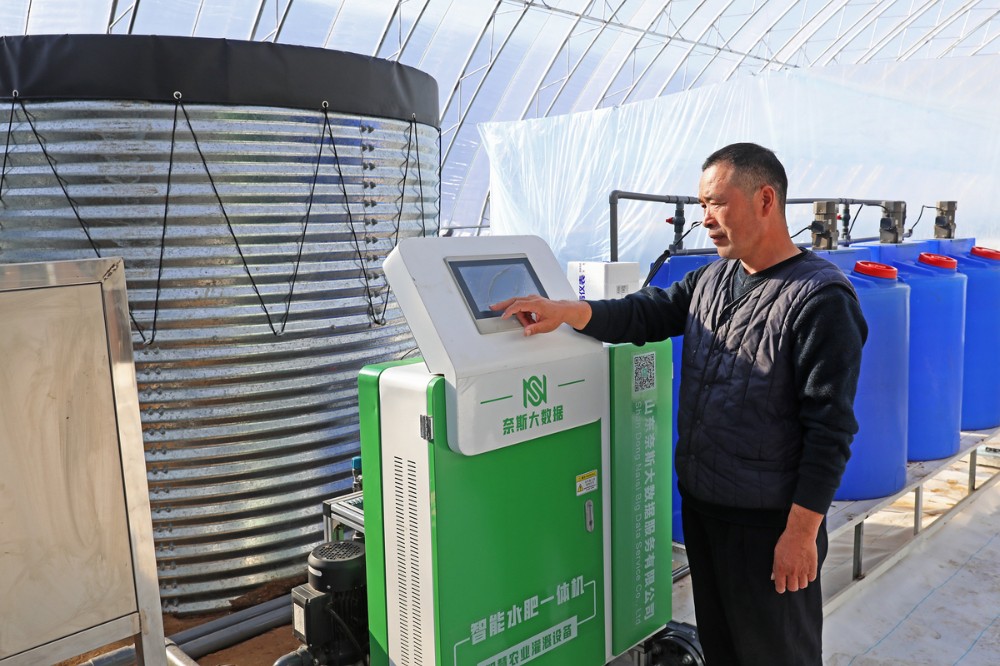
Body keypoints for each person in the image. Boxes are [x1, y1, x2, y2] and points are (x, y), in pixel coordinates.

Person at [492, 142, 868, 665]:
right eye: (701, 205)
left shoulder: (820, 299)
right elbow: (644, 313)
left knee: (777, 654)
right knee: (723, 648)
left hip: (767, 527)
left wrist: (801, 534)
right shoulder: (712, 279)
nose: (705, 219)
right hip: (705, 510)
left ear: (765, 200)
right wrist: (567, 312)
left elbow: (830, 429)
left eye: (717, 203)